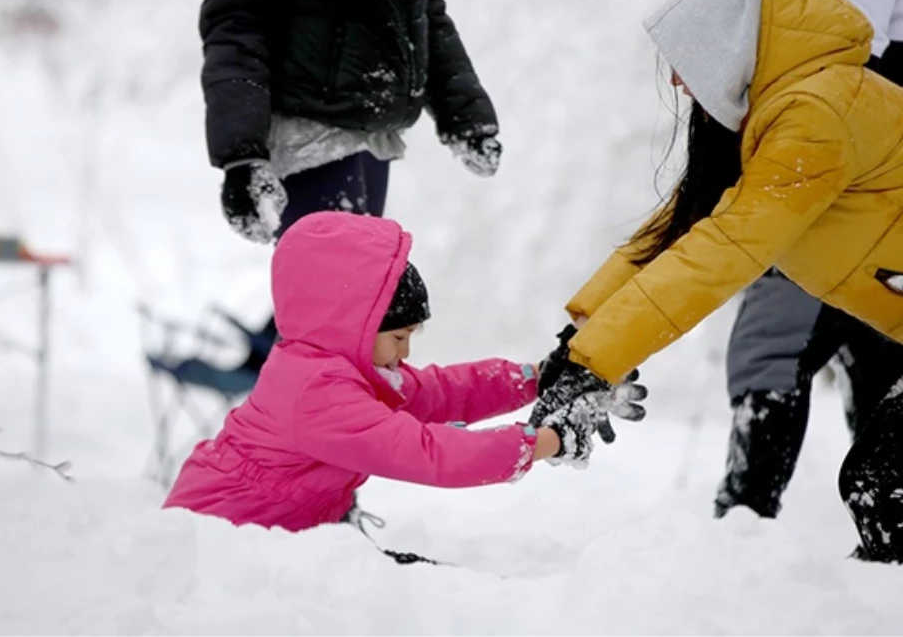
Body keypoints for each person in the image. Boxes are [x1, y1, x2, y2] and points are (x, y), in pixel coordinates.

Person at [532, 0, 903, 564]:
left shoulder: (815, 117)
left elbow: (720, 253)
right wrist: (583, 339)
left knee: (883, 478)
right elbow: (680, 231)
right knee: (888, 477)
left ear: (726, 53)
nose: (675, 80)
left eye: (685, 61)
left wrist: (593, 365)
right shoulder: (782, 114)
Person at [163, 212, 646, 563]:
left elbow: (440, 393)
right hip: (212, 545)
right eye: (399, 337)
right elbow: (426, 452)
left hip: (273, 537)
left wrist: (540, 376)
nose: (407, 353)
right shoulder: (317, 392)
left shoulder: (339, 369)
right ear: (353, 322)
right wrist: (552, 441)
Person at [718, 0, 903, 520]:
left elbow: (842, 23)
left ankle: (744, 523)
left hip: (860, 113)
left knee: (779, 333)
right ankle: (896, 533)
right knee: (884, 332)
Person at [200, 0, 503, 244]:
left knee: (360, 293)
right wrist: (241, 154)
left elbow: (424, 13)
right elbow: (236, 23)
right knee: (330, 290)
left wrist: (466, 114)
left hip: (373, 135)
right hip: (307, 138)